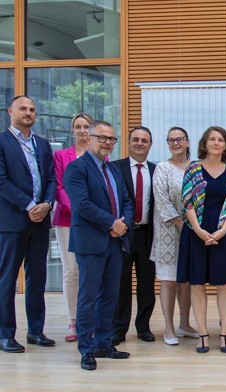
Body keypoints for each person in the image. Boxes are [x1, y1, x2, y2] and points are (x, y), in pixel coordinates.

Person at [64, 121, 132, 370]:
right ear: (89, 138)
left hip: (115, 242)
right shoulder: (76, 169)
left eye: (111, 139)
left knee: (109, 296)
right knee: (88, 298)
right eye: (101, 138)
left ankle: (104, 343)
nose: (107, 143)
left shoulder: (112, 169)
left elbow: (126, 199)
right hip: (91, 243)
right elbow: (81, 205)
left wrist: (122, 224)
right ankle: (87, 349)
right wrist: (111, 224)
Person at [0, 95, 56, 354]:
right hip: (12, 221)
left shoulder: (43, 144)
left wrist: (46, 203)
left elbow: (52, 179)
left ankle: (36, 330)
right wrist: (29, 205)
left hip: (40, 221)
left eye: (32, 109)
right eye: (23, 108)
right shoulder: (1, 142)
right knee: (7, 279)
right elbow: (1, 181)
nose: (28, 113)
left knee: (38, 278)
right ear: (11, 111)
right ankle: (5, 334)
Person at [177, 126, 226, 354]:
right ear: (205, 143)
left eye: (220, 140)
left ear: (225, 145)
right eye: (212, 139)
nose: (216, 143)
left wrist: (222, 231)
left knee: (224, 285)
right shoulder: (193, 168)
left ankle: (224, 333)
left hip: (223, 234)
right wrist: (198, 230)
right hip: (196, 234)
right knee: (197, 284)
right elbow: (187, 202)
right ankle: (203, 333)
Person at [150, 127, 198, 345]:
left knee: (186, 280)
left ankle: (184, 324)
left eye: (179, 139)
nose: (175, 143)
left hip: (193, 232)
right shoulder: (162, 168)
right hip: (168, 232)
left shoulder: (196, 167)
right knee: (169, 281)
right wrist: (181, 223)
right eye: (171, 140)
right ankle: (168, 327)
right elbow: (161, 199)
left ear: (188, 142)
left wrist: (195, 226)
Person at [112, 126, 157, 344]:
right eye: (136, 140)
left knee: (146, 284)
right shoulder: (114, 168)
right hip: (122, 234)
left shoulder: (157, 170)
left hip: (148, 234)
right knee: (121, 284)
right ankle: (119, 329)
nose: (140, 143)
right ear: (128, 143)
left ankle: (143, 327)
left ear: (150, 145)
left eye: (144, 140)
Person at [53, 112, 94, 343]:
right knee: (71, 271)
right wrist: (77, 209)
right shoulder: (61, 156)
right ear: (72, 130)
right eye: (77, 126)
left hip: (92, 222)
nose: (82, 130)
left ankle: (90, 319)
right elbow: (59, 186)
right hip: (67, 219)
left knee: (88, 270)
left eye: (86, 126)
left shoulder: (100, 156)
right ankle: (73, 321)